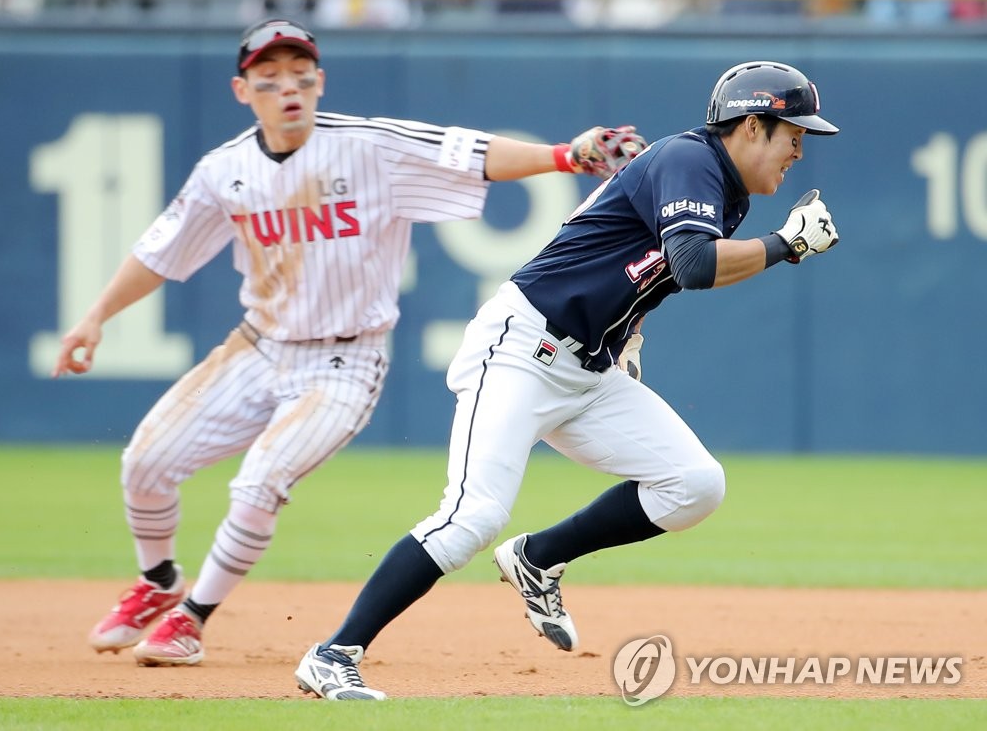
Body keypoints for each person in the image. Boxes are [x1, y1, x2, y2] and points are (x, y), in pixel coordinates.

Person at [52, 17, 644, 667]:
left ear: (320, 82)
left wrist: (567, 155)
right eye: (269, 78)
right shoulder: (224, 170)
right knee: (144, 463)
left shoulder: (367, 146)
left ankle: (193, 618)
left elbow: (469, 153)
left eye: (301, 77)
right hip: (255, 346)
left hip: (345, 359)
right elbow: (160, 251)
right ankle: (159, 580)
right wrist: (94, 318)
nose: (288, 89)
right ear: (241, 90)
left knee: (258, 484)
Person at [293, 60, 840, 700]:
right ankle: (334, 653)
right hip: (521, 348)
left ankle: (538, 556)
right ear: (751, 125)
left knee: (695, 484)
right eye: (792, 132)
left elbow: (645, 270)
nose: (800, 148)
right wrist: (787, 246)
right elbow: (692, 265)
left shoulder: (723, 186)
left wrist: (630, 337)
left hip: (587, 368)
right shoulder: (692, 159)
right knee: (472, 516)